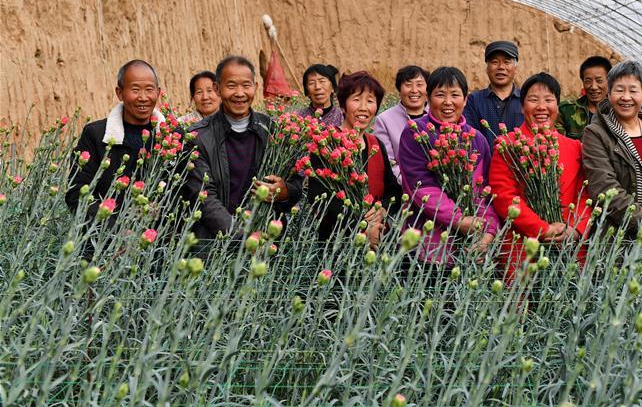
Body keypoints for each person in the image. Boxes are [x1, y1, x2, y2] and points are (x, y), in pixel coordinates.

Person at [185, 56, 302, 240]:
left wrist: (284, 191)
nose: (240, 93)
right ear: (217, 88)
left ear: (256, 86)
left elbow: (296, 182)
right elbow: (204, 198)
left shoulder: (273, 131)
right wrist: (242, 237)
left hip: (267, 243)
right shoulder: (198, 137)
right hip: (216, 246)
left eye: (246, 86)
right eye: (231, 86)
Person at [489, 73, 592, 281]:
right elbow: (503, 196)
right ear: (522, 106)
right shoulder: (507, 146)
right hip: (522, 248)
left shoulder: (574, 148)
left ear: (557, 105)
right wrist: (542, 229)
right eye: (533, 100)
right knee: (521, 309)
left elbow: (584, 194)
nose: (541, 107)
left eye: (548, 100)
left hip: (568, 246)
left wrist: (574, 229)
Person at [397, 67, 500, 269]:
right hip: (426, 249)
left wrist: (488, 231)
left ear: (465, 99)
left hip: (470, 249)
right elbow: (421, 188)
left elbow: (485, 192)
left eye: (455, 95)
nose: (448, 102)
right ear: (428, 98)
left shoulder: (476, 139)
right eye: (440, 95)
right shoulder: (415, 133)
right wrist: (459, 220)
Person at [304, 71, 401, 245]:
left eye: (370, 101)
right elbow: (318, 196)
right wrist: (362, 226)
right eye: (356, 99)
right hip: (336, 243)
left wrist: (383, 210)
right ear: (342, 106)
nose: (363, 107)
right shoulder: (328, 144)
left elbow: (393, 190)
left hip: (377, 239)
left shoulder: (375, 144)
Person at [581, 60, 642, 238]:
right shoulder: (596, 133)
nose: (626, 97)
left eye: (633, 90)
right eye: (619, 90)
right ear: (608, 94)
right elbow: (604, 187)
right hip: (620, 237)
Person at [67, 59, 166, 221]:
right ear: (119, 93)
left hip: (161, 240)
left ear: (158, 92)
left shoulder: (171, 137)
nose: (143, 97)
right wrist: (114, 231)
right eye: (135, 89)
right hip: (105, 241)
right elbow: (76, 194)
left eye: (149, 89)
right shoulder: (96, 135)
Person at [372, 65, 430, 185]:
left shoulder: (437, 116)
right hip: (401, 188)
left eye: (419, 85)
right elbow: (388, 162)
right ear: (399, 89)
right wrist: (412, 185)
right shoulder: (385, 120)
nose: (414, 90)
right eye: (408, 85)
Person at [463, 41, 524, 149]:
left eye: (506, 62)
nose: (501, 67)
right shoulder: (473, 101)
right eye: (495, 62)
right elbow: (471, 139)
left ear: (515, 68)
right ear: (487, 68)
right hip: (486, 164)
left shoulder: (525, 100)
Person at [556, 56, 612, 139]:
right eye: (588, 81)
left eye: (599, 81)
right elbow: (559, 143)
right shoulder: (566, 111)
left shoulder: (618, 111)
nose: (593, 87)